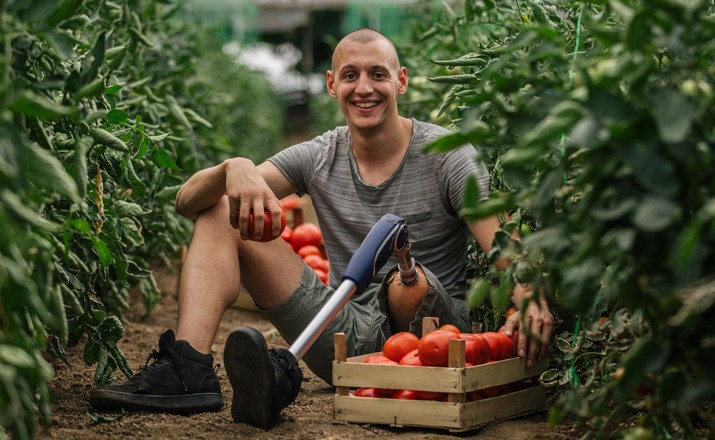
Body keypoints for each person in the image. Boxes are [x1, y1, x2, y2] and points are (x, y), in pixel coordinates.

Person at [89, 28, 553, 428]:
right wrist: (235, 168)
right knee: (217, 208)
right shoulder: (319, 155)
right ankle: (187, 370)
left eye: (378, 74)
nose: (364, 88)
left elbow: (501, 244)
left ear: (402, 80)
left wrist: (530, 301)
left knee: (403, 276)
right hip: (340, 333)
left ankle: (303, 369)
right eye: (350, 75)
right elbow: (186, 201)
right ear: (332, 85)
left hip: (428, 343)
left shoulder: (449, 156)